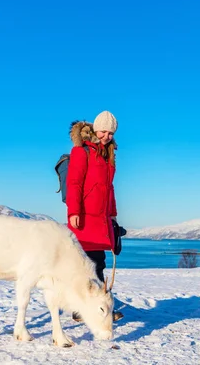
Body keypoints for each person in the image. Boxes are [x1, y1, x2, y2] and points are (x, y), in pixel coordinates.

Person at [66, 110, 124, 322]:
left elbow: (110, 189)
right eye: (103, 131)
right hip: (83, 217)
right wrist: (73, 211)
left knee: (99, 263)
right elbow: (74, 183)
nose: (106, 136)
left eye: (110, 133)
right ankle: (80, 309)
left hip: (101, 218)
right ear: (95, 129)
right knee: (84, 265)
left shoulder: (108, 155)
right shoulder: (82, 151)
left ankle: (99, 309)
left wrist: (113, 216)